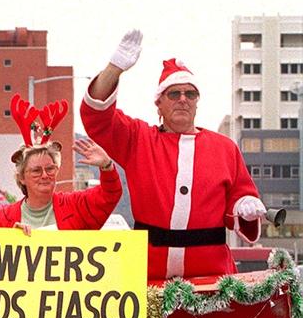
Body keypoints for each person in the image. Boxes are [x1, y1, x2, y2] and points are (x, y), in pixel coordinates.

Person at [81, 29, 266, 279]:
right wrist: (113, 69)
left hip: (211, 278)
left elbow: (239, 200)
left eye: (190, 94)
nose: (183, 99)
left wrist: (244, 206)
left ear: (197, 101)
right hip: (149, 276)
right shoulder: (138, 139)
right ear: (159, 102)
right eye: (174, 93)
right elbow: (97, 118)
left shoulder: (224, 148)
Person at [0, 138, 122, 231]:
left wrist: (107, 166)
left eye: (50, 169)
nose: (45, 175)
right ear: (22, 178)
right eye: (36, 170)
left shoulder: (75, 205)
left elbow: (109, 195)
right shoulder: (5, 218)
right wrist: (9, 239)